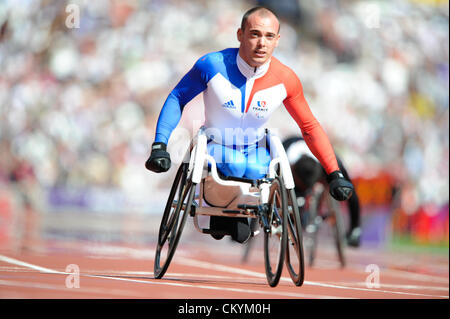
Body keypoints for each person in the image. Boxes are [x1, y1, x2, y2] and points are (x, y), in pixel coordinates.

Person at [145, 6, 354, 244]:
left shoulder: (286, 79)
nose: (261, 43)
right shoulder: (211, 65)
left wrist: (334, 173)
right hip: (215, 144)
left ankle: (239, 215)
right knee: (234, 164)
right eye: (254, 34)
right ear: (240, 34)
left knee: (257, 170)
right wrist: (160, 144)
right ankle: (225, 215)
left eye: (268, 36)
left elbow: (309, 126)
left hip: (255, 149)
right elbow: (177, 98)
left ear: (277, 41)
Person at [284, 136, 361, 247]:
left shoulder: (332, 161)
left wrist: (355, 228)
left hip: (320, 159)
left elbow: (351, 193)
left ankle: (355, 229)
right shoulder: (283, 154)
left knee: (346, 186)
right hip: (293, 165)